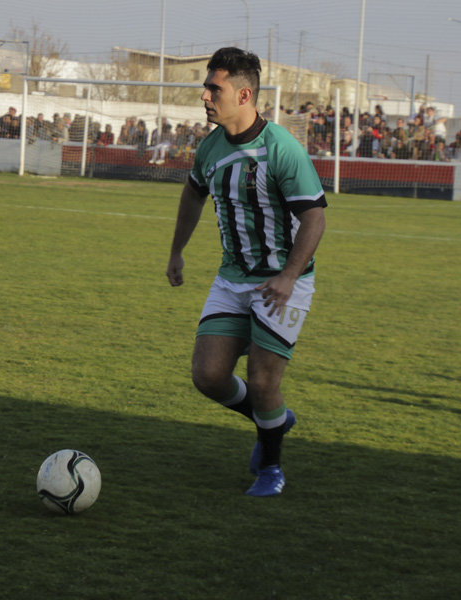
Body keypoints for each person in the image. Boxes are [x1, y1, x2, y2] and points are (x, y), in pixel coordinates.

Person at [166, 47, 327, 498]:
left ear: (244, 93)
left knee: (262, 381)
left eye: (213, 88)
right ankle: (273, 420)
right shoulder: (210, 148)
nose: (205, 95)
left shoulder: (282, 148)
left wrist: (289, 276)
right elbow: (193, 197)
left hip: (281, 282)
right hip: (232, 278)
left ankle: (271, 468)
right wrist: (176, 252)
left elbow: (314, 218)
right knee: (208, 377)